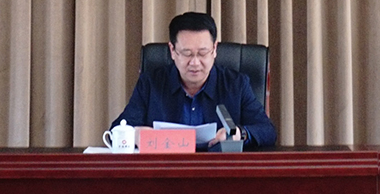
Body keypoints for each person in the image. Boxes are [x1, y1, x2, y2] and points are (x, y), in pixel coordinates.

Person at [111, 11, 277, 150]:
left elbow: (267, 131)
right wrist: (134, 134)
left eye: (203, 53)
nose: (195, 63)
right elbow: (117, 130)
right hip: (165, 172)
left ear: (214, 49)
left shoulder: (236, 84)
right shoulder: (150, 83)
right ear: (172, 51)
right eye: (187, 54)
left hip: (218, 172)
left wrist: (239, 133)